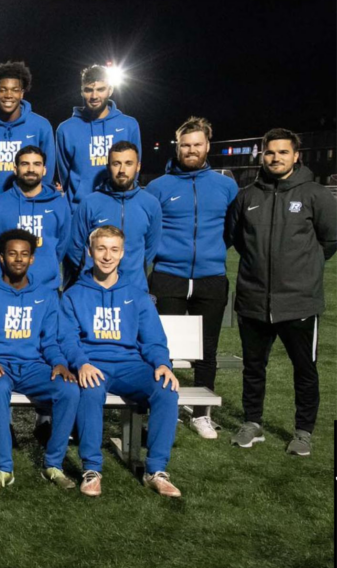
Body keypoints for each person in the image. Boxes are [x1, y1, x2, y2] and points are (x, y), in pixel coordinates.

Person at [227, 128, 337, 456]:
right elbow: (234, 237)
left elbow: (330, 239)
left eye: (283, 152)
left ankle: (302, 431)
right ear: (262, 155)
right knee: (253, 366)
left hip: (299, 300)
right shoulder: (247, 195)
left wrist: (305, 268)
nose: (276, 158)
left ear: (296, 155)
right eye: (270, 152)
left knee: (304, 369)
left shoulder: (315, 194)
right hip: (253, 299)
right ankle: (252, 423)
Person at [61, 225, 182, 498]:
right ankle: (92, 469)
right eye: (101, 248)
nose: (107, 256)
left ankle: (156, 470)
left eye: (114, 249)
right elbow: (67, 339)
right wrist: (81, 362)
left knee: (166, 389)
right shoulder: (73, 294)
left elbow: (152, 340)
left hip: (131, 365)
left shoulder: (137, 295)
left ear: (123, 253)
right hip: (93, 364)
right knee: (90, 390)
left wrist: (162, 364)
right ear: (90, 251)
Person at [147, 117, 238, 438]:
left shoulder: (226, 185)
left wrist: (210, 254)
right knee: (163, 348)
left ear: (207, 146)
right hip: (167, 275)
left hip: (211, 277)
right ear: (178, 146)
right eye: (185, 145)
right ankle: (165, 407)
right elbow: (151, 231)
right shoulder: (159, 187)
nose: (191, 150)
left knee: (206, 348)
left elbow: (231, 231)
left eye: (197, 144)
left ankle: (202, 413)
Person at [0, 229, 79, 491]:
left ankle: (53, 464)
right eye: (12, 254)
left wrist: (59, 363)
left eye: (24, 254)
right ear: (0, 258)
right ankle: (3, 469)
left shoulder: (46, 295)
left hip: (33, 367)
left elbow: (49, 341)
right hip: (1, 365)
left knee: (69, 389)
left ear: (32, 259)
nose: (18, 259)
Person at [66, 141, 161, 291]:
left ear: (138, 166)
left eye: (128, 163)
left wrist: (132, 273)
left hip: (134, 289)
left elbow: (149, 249)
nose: (122, 170)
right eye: (116, 163)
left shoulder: (150, 203)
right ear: (108, 166)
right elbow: (75, 247)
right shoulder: (90, 203)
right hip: (95, 289)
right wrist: (92, 274)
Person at [55, 65, 141, 210]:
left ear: (110, 90)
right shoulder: (66, 129)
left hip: (118, 206)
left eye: (100, 89)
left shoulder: (129, 125)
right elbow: (65, 176)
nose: (94, 96)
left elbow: (134, 168)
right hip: (80, 209)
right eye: (89, 90)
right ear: (82, 91)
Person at [0, 145, 70, 290]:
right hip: (7, 288)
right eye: (25, 164)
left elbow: (61, 246)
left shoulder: (59, 204)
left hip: (46, 288)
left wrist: (46, 269)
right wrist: (0, 276)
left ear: (44, 170)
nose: (31, 169)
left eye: (37, 164)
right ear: (15, 169)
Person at [0, 61, 55, 205]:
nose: (8, 95)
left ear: (22, 93)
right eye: (3, 89)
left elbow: (48, 167)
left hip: (31, 203)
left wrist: (39, 199)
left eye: (14, 90)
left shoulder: (41, 126)